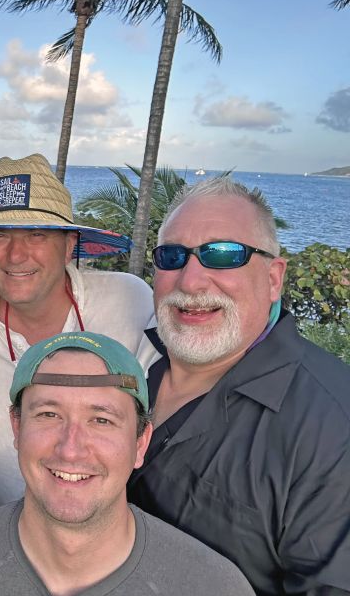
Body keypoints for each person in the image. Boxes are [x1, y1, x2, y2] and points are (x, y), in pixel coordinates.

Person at [127, 176, 350, 595]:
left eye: (224, 255)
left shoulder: (333, 427)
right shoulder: (137, 366)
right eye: (172, 256)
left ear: (273, 279)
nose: (190, 281)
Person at [0, 332, 253, 595]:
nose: (71, 449)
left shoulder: (211, 585)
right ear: (17, 428)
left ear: (140, 442)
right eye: (48, 414)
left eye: (101, 420)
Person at [0, 153, 156, 522]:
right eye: (0, 236)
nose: (16, 254)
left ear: (68, 246)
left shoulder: (131, 301)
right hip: (1, 528)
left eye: (36, 234)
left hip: (111, 526)